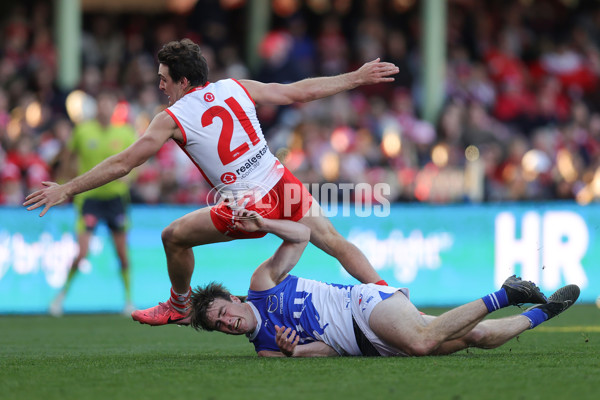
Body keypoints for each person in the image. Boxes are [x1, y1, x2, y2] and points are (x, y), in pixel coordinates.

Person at [24, 38, 400, 326]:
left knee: (172, 237)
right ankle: (391, 299)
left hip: (249, 204)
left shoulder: (170, 117)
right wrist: (356, 77)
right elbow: (297, 91)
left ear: (182, 80)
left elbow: (124, 163)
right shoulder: (235, 86)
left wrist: (66, 188)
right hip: (280, 181)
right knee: (335, 242)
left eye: (163, 79)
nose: (160, 87)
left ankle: (179, 304)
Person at [189, 210, 580, 357]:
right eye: (219, 325)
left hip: (361, 304)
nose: (226, 321)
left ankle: (507, 292)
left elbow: (301, 235)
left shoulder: (261, 284)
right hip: (368, 344)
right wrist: (296, 353)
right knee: (473, 336)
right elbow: (328, 351)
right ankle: (543, 312)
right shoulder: (267, 350)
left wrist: (266, 225)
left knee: (422, 341)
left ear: (232, 298)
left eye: (223, 311)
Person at [49, 90, 137, 316]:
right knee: (82, 253)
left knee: (122, 253)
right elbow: (68, 158)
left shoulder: (126, 132)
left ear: (114, 108)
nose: (105, 108)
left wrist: (132, 177)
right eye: (102, 103)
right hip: (89, 198)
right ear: (97, 107)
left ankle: (128, 301)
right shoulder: (83, 130)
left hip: (116, 198)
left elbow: (140, 161)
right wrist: (62, 185)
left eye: (109, 104)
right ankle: (61, 297)